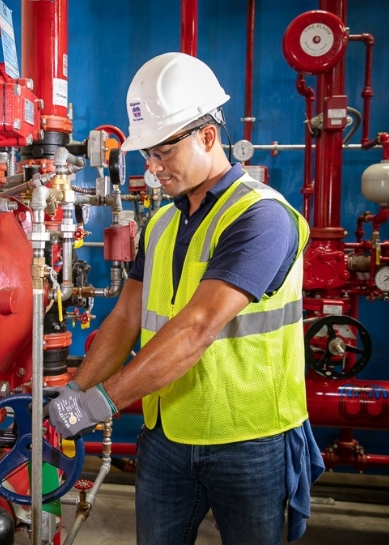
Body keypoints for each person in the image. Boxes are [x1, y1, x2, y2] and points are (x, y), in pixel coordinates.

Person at [45, 52, 324, 544]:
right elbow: (126, 316)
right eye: (146, 155)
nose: (152, 170)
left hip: (249, 442)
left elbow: (197, 328)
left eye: (162, 152)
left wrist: (98, 405)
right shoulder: (161, 223)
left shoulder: (261, 218)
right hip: (167, 436)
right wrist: (74, 393)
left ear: (208, 136)